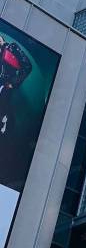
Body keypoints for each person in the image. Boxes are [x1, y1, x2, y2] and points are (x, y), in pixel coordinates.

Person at [0, 34, 33, 174]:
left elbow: (27, 66)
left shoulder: (11, 47)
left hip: (5, 89)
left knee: (3, 115)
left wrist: (13, 83)